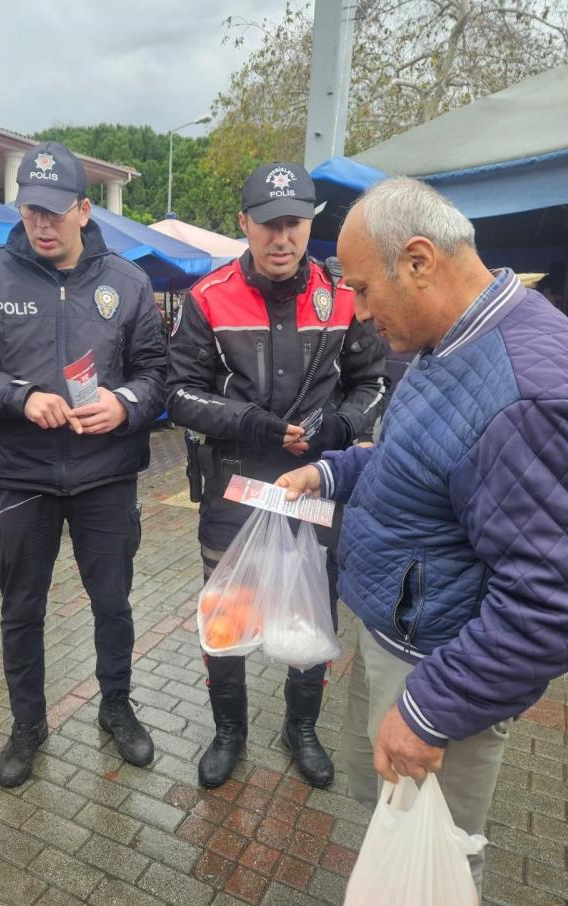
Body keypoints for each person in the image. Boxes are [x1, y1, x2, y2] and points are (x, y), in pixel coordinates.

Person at [277, 177, 568, 891]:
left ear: (418, 261)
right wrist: (337, 472)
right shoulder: (452, 340)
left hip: (441, 672)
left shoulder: (523, 394)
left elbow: (549, 601)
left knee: (432, 860)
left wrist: (430, 708)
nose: (360, 310)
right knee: (393, 829)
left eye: (365, 289)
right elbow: (424, 457)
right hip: (405, 642)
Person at [0, 142, 167, 787]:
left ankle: (116, 708)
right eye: (32, 209)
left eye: (56, 211)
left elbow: (157, 374)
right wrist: (18, 398)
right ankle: (26, 723)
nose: (42, 222)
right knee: (20, 610)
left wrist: (124, 406)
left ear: (85, 210)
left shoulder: (127, 281)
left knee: (113, 604)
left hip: (106, 477)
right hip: (19, 478)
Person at [166, 161, 388, 790]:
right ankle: (229, 730)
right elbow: (179, 394)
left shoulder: (343, 296)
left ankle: (302, 725)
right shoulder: (206, 298)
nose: (282, 237)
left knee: (313, 608)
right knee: (228, 610)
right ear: (245, 224)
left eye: (293, 223)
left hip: (315, 483)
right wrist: (254, 424)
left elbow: (372, 384)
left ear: (308, 224)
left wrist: (338, 430)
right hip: (234, 486)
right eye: (268, 224)